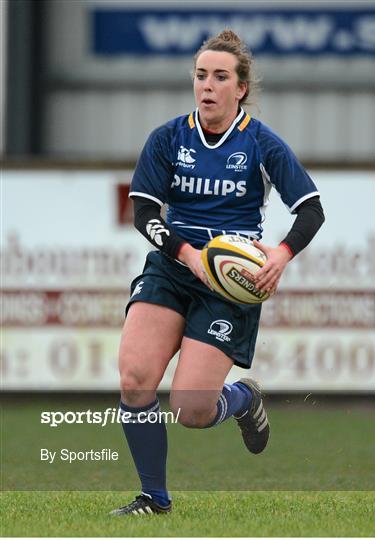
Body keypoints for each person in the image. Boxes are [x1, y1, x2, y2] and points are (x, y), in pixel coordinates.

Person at [110, 29, 325, 516]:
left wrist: (281, 255)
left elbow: (311, 210)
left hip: (229, 285)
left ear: (240, 88)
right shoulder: (168, 138)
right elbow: (144, 211)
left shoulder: (262, 144)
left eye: (220, 77)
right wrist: (187, 254)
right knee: (135, 379)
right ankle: (154, 499)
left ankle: (242, 400)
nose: (208, 85)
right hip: (172, 267)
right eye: (201, 75)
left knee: (191, 410)